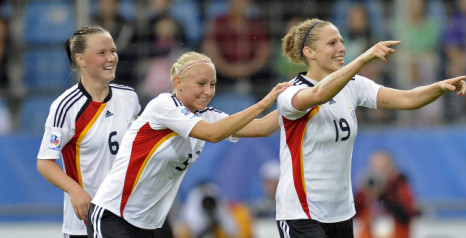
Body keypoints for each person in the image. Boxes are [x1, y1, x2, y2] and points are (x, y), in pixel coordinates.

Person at [275, 18, 466, 238]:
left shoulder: (354, 85)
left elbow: (408, 100)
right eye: (332, 43)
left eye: (341, 41)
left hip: (340, 213)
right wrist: (364, 58)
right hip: (301, 214)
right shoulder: (290, 93)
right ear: (309, 52)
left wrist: (441, 87)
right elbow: (319, 94)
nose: (341, 48)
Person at [87, 51, 290, 238]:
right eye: (201, 83)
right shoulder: (163, 105)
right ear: (179, 82)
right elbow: (213, 134)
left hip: (151, 224)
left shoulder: (206, 115)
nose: (208, 91)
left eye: (212, 84)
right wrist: (265, 103)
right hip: (114, 215)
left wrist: (298, 98)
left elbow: (263, 127)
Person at [36, 25, 141, 238]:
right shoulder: (65, 106)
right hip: (85, 224)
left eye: (112, 51)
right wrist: (75, 191)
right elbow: (45, 162)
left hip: (127, 218)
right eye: (102, 53)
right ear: (81, 59)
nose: (111, 58)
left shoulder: (129, 98)